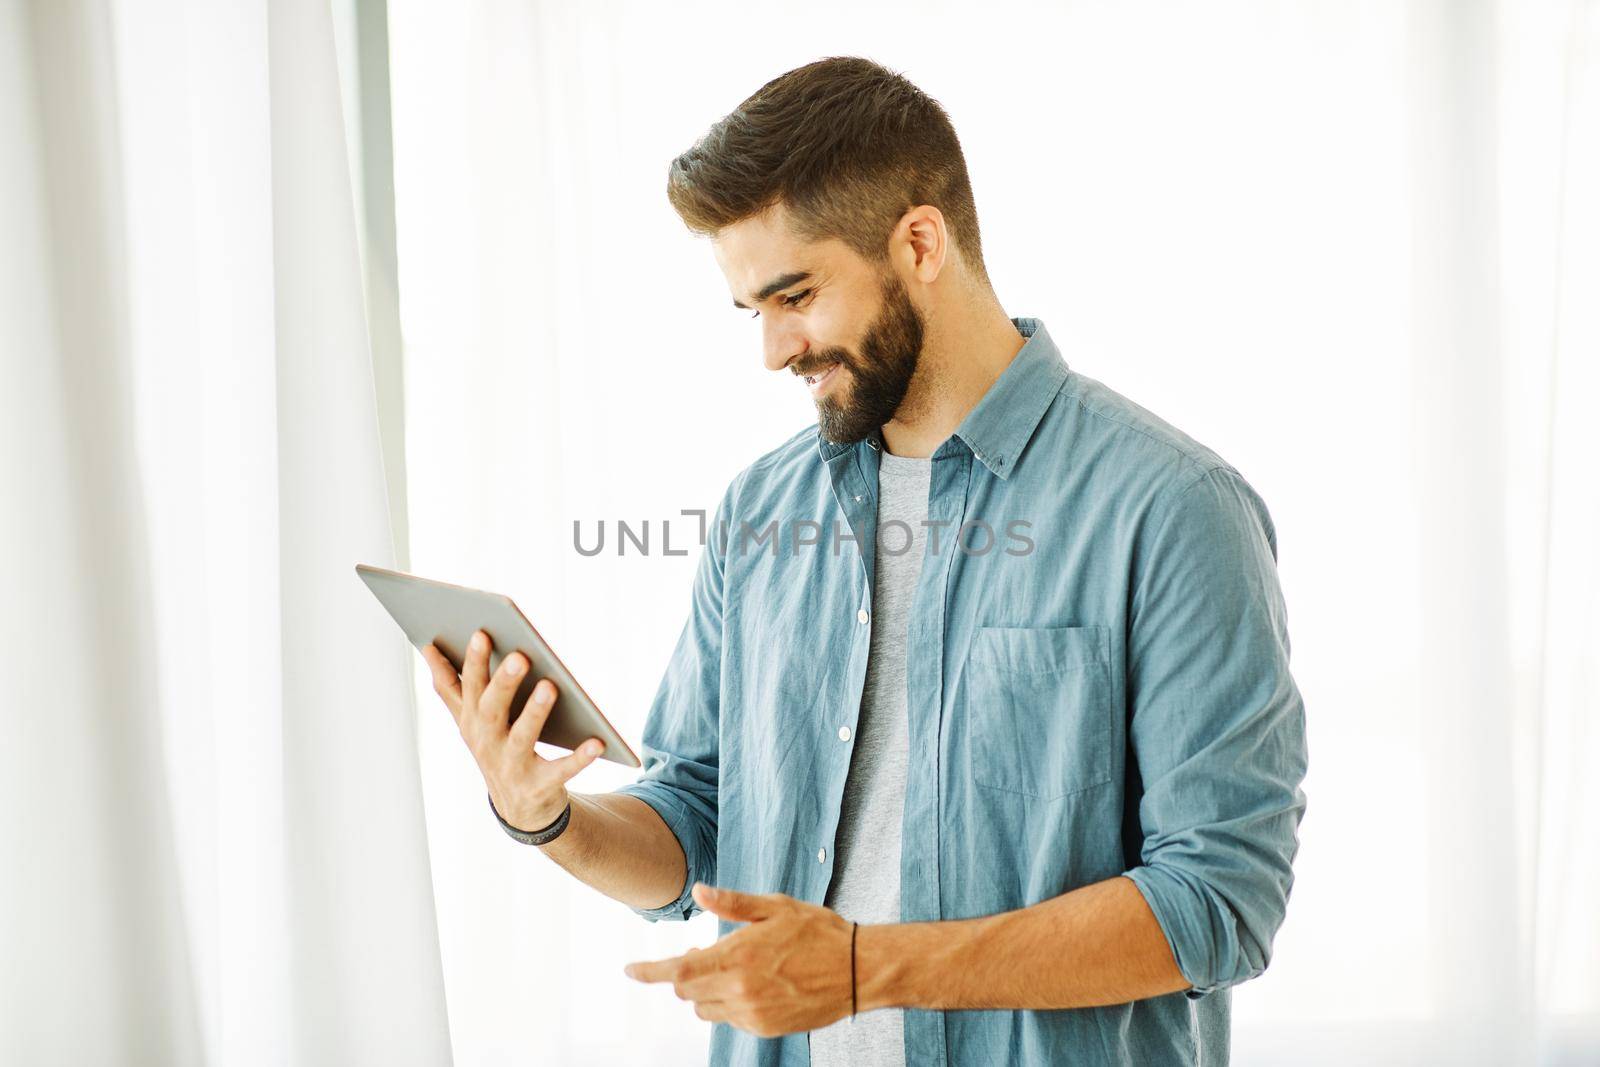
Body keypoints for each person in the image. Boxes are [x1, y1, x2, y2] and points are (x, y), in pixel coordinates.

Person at [422, 55, 1308, 1067]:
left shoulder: (1170, 507)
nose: (771, 349)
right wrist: (547, 816)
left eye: (794, 294)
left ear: (919, 242)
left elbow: (1219, 901)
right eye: (752, 308)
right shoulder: (762, 510)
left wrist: (866, 966)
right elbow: (696, 815)